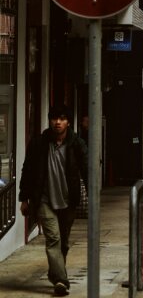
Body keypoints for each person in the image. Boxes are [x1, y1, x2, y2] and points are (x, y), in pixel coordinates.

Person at [19, 103, 88, 297]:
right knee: (54, 239)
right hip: (44, 199)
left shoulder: (76, 144)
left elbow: (87, 169)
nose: (58, 122)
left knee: (63, 243)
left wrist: (93, 195)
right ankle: (60, 280)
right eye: (54, 118)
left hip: (68, 201)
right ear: (49, 121)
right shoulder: (39, 143)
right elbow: (28, 170)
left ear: (68, 122)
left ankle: (55, 273)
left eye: (62, 118)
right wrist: (24, 199)